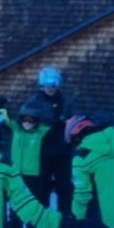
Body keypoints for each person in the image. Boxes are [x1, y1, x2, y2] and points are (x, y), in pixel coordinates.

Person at [25, 66, 78, 217]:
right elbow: (25, 123)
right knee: (42, 188)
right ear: (42, 84)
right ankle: (44, 220)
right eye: (47, 84)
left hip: (63, 151)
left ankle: (65, 221)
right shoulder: (34, 102)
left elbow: (73, 121)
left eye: (54, 84)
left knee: (65, 187)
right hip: (42, 152)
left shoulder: (66, 101)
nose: (51, 88)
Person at [5, 100, 53, 228]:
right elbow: (3, 118)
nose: (27, 123)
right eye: (25, 119)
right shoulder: (16, 129)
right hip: (17, 176)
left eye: (32, 120)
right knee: (15, 210)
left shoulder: (42, 133)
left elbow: (56, 127)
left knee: (33, 210)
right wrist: (1, 106)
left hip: (35, 178)